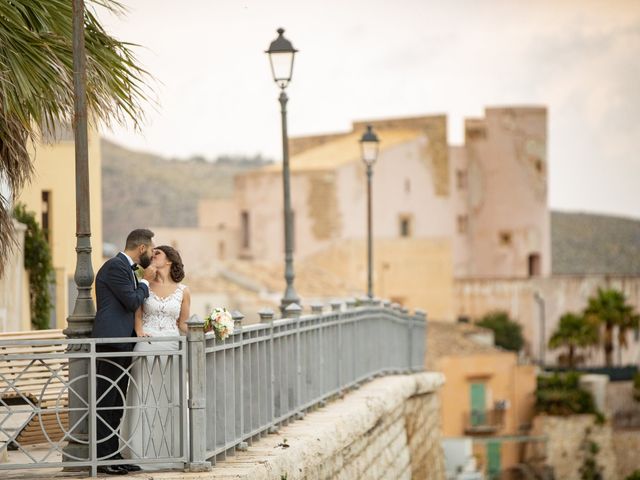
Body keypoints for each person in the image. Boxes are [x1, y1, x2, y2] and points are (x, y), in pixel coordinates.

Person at [92, 229, 156, 475]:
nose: (151, 253)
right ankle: (103, 459)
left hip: (122, 343)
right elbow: (131, 301)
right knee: (106, 402)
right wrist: (145, 282)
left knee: (117, 403)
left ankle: (114, 454)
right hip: (110, 343)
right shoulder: (115, 267)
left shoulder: (124, 268)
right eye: (151, 248)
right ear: (142, 248)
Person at [121, 245, 190, 470]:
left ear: (169, 260)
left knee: (171, 399)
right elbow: (137, 315)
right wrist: (139, 331)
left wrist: (208, 329)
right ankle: (141, 453)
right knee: (144, 398)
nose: (152, 256)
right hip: (146, 347)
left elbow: (183, 325)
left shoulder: (183, 291)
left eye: (157, 253)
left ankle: (172, 452)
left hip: (172, 347)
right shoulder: (143, 284)